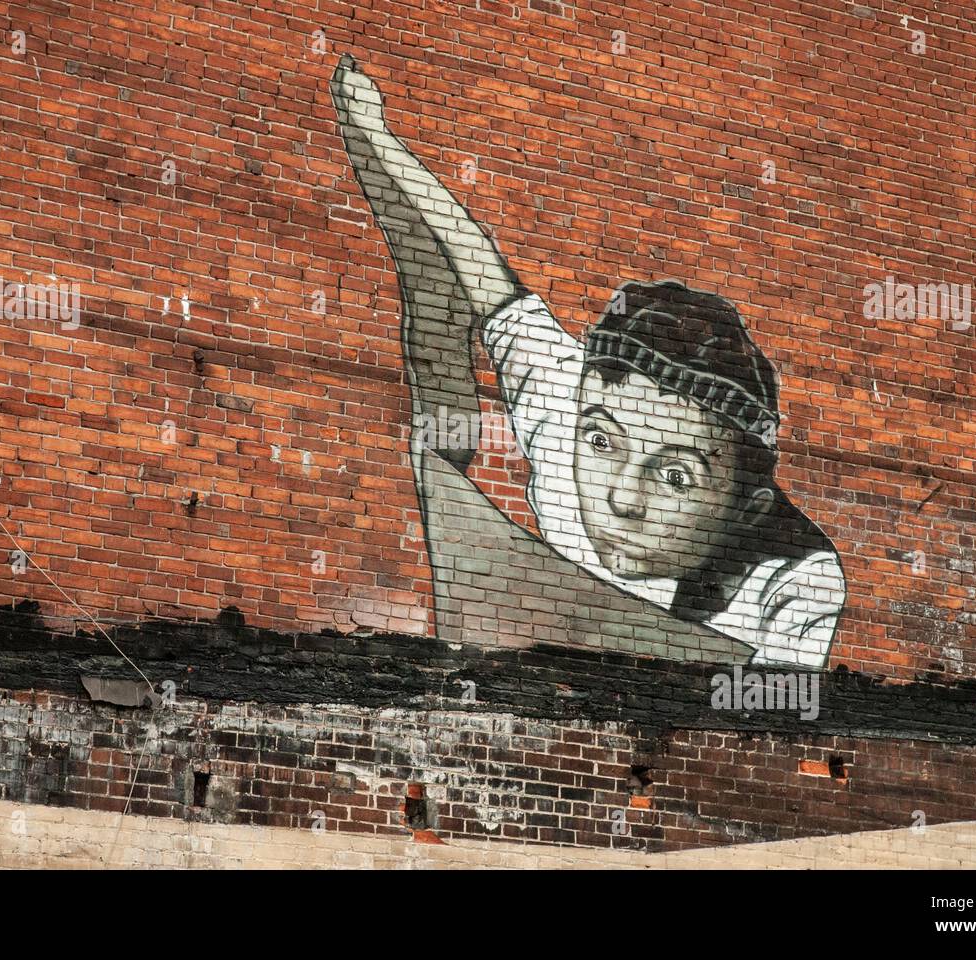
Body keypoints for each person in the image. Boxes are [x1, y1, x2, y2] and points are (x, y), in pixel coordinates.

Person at [330, 55, 843, 668]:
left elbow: (772, 736)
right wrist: (375, 136)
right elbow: (477, 268)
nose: (623, 498)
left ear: (747, 509)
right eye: (602, 443)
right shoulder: (564, 405)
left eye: (675, 476)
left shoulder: (796, 581)